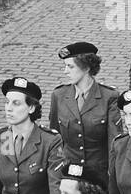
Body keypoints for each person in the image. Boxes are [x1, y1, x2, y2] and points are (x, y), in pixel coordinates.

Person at [49, 42, 121, 179]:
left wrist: (112, 178)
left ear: (86, 67)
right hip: (68, 174)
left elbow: (114, 143)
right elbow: (54, 140)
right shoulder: (59, 96)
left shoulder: (109, 97)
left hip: (98, 175)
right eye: (65, 66)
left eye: (70, 66)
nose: (65, 71)